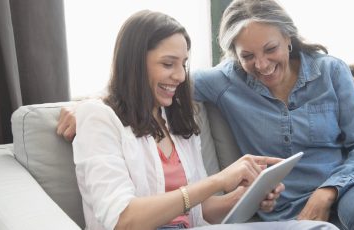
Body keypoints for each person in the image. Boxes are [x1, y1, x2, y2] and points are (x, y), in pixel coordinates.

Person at [67, 9, 337, 230]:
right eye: (167, 64)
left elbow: (200, 211)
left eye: (183, 64)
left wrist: (245, 198)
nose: (181, 76)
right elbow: (124, 221)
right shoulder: (99, 118)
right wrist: (218, 182)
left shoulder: (175, 117)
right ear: (134, 63)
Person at [191, 0, 354, 229]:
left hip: (352, 187)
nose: (262, 65)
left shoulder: (330, 71)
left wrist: (328, 191)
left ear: (287, 37)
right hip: (288, 210)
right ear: (234, 54)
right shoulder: (224, 82)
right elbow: (167, 80)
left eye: (270, 49)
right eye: (247, 56)